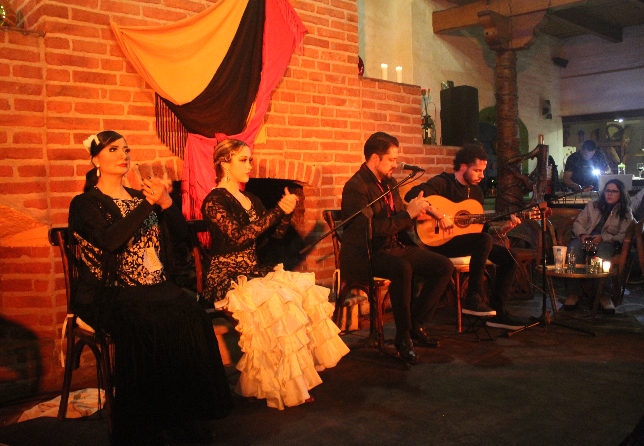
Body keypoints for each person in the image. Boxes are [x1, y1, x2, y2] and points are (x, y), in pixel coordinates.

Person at [68, 131, 233, 445]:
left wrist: (167, 203)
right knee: (146, 324)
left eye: (126, 149)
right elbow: (111, 241)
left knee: (193, 316)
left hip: (153, 286)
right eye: (113, 149)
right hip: (110, 291)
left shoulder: (140, 195)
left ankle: (184, 416)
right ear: (95, 160)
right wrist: (147, 203)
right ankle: (147, 426)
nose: (123, 154)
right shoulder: (85, 204)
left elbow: (182, 235)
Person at [201, 139, 348, 410]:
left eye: (250, 159)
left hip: (253, 270)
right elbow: (238, 237)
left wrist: (285, 215)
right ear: (225, 164)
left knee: (302, 293)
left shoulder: (251, 199)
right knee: (276, 300)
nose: (249, 165)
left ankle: (294, 380)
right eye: (243, 160)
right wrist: (277, 211)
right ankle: (277, 385)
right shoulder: (214, 200)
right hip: (227, 275)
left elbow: (271, 237)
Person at [341, 132, 454, 365]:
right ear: (375, 158)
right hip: (367, 252)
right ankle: (403, 338)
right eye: (391, 159)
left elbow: (400, 218)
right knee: (402, 268)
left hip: (394, 246)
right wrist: (407, 215)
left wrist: (417, 212)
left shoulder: (390, 182)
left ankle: (415, 324)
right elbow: (369, 230)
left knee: (443, 265)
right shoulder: (355, 187)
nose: (396, 164)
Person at [404, 143, 523, 331]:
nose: (482, 175)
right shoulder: (443, 182)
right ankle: (473, 298)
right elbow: (411, 196)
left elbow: (481, 229)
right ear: (462, 167)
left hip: (468, 242)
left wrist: (502, 229)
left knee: (510, 257)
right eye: (477, 170)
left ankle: (498, 313)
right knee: (483, 241)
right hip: (440, 242)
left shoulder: (477, 193)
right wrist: (438, 214)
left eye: (483, 171)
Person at [564, 179, 633, 313]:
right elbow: (578, 223)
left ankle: (603, 295)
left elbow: (622, 235)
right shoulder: (592, 205)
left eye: (614, 191)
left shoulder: (625, 212)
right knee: (573, 250)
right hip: (586, 238)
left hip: (606, 242)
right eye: (607, 190)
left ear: (621, 193)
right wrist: (583, 235)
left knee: (603, 254)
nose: (610, 194)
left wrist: (603, 238)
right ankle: (573, 294)